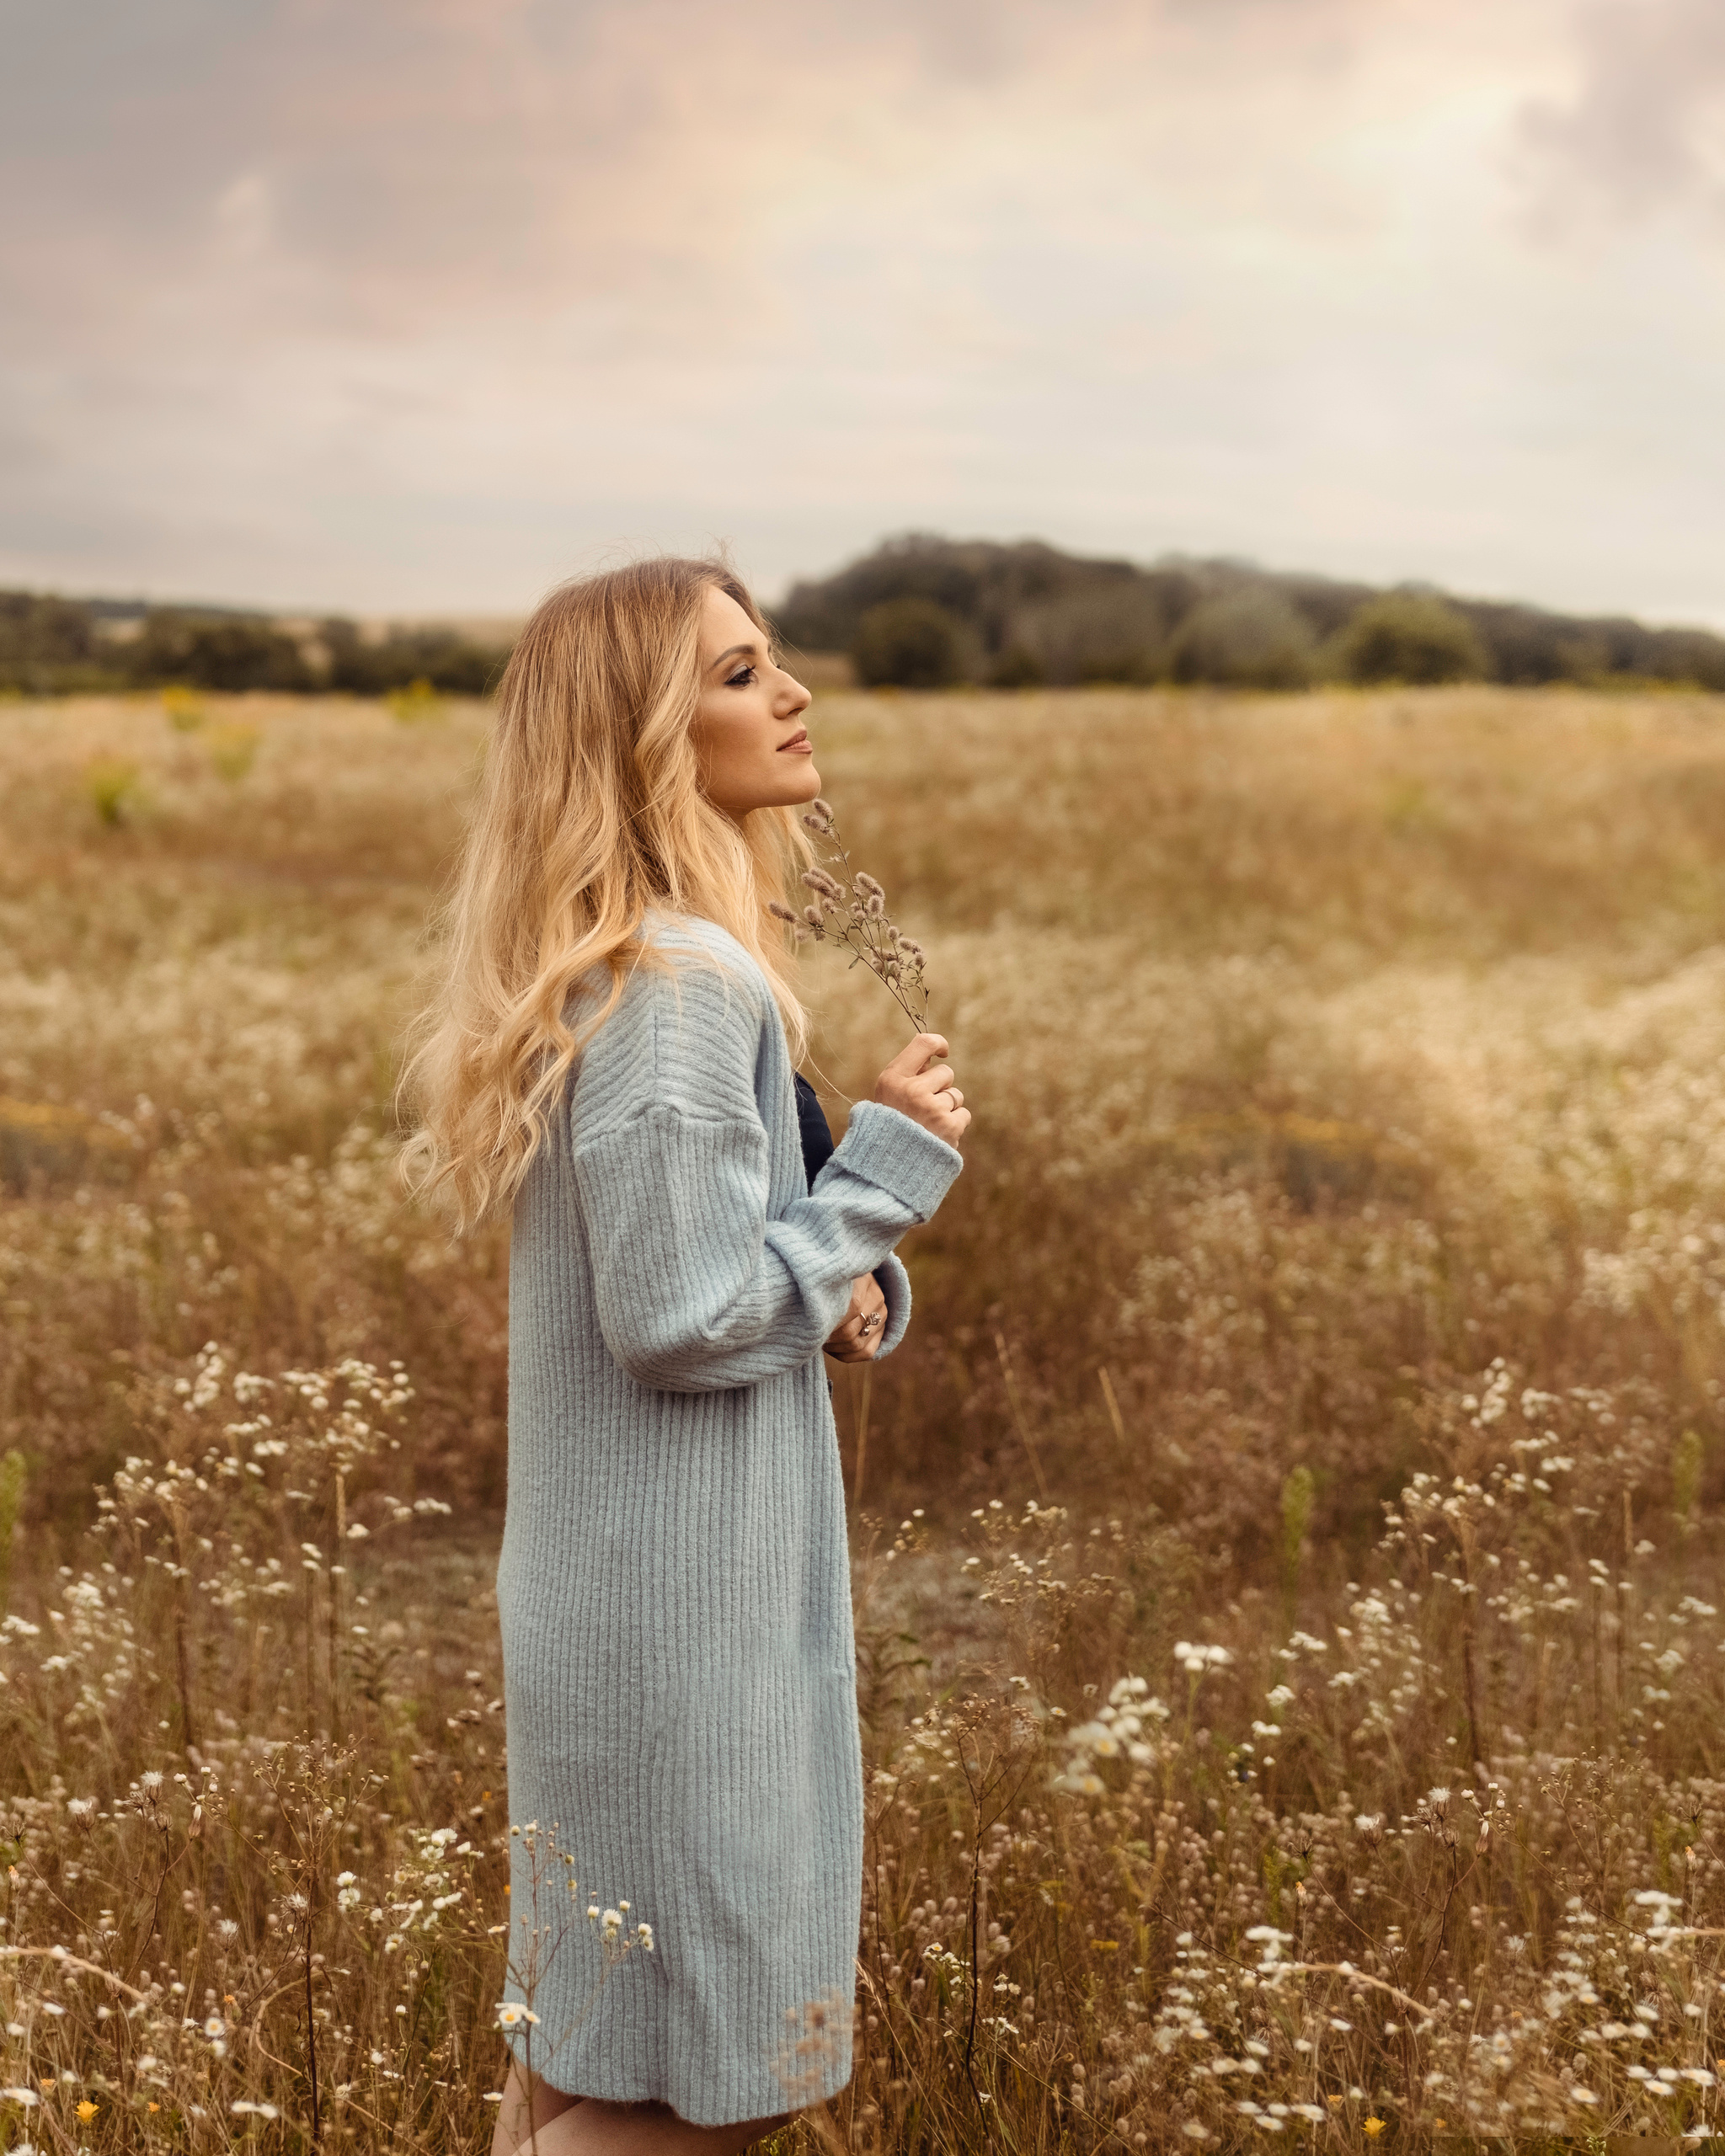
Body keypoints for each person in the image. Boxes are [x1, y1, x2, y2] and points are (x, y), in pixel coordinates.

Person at [399, 558, 969, 2154]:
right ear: (640, 736)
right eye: (732, 674)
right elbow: (680, 1318)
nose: (787, 694)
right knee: (707, 2092)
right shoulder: (677, 985)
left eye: (771, 660)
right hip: (680, 1626)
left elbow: (709, 1273)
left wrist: (856, 1271)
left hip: (623, 1594)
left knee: (584, 2070)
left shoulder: (637, 968)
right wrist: (886, 1169)